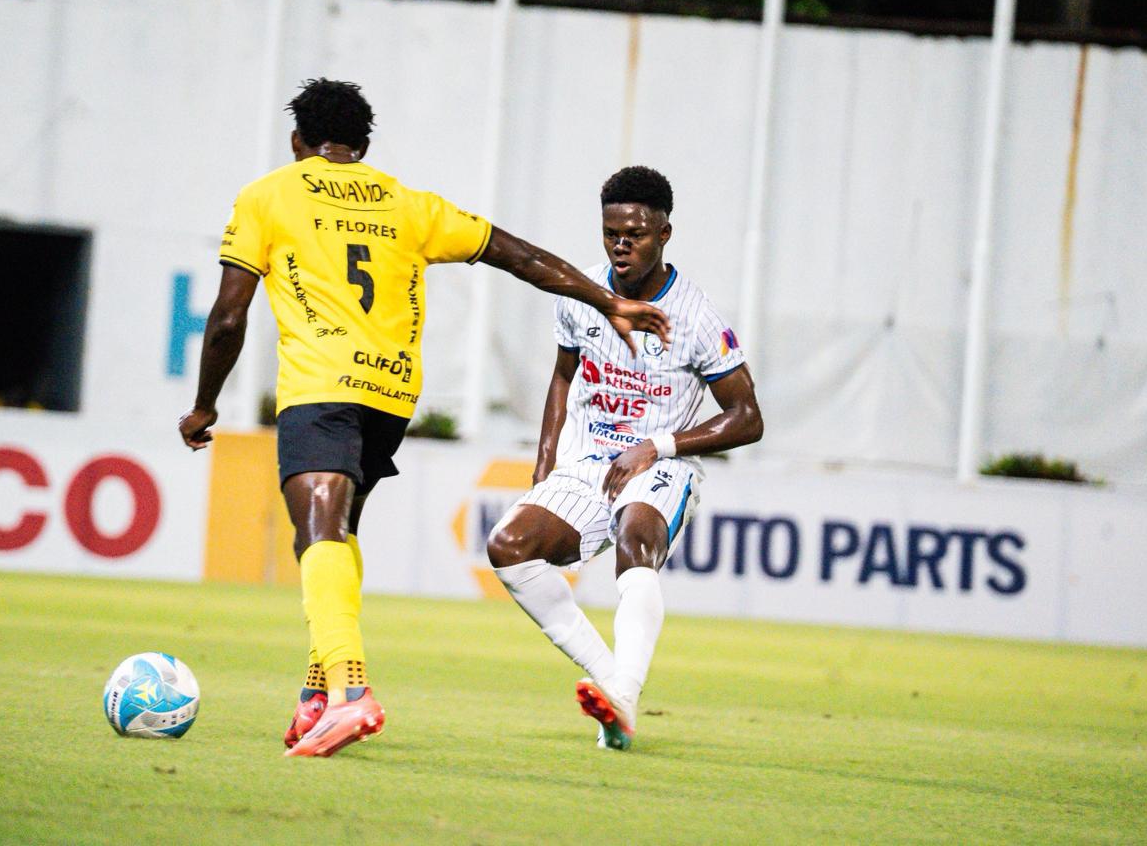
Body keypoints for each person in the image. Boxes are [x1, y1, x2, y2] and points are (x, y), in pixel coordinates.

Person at [177, 79, 671, 759]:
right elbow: (520, 256)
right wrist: (604, 301)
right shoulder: (406, 204)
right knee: (336, 532)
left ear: (298, 143)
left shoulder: (269, 195)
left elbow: (230, 314)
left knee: (318, 527)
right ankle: (317, 695)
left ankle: (350, 694)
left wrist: (206, 402)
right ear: (366, 146)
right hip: (390, 396)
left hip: (320, 386)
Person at [487, 165, 763, 750]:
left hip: (660, 463)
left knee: (636, 540)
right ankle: (613, 683)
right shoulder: (582, 295)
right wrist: (544, 464)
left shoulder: (696, 318)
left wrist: (658, 446)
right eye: (611, 231)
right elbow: (564, 376)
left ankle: (624, 692)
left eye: (635, 233)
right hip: (588, 463)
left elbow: (747, 419)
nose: (620, 243)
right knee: (508, 547)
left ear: (664, 234)